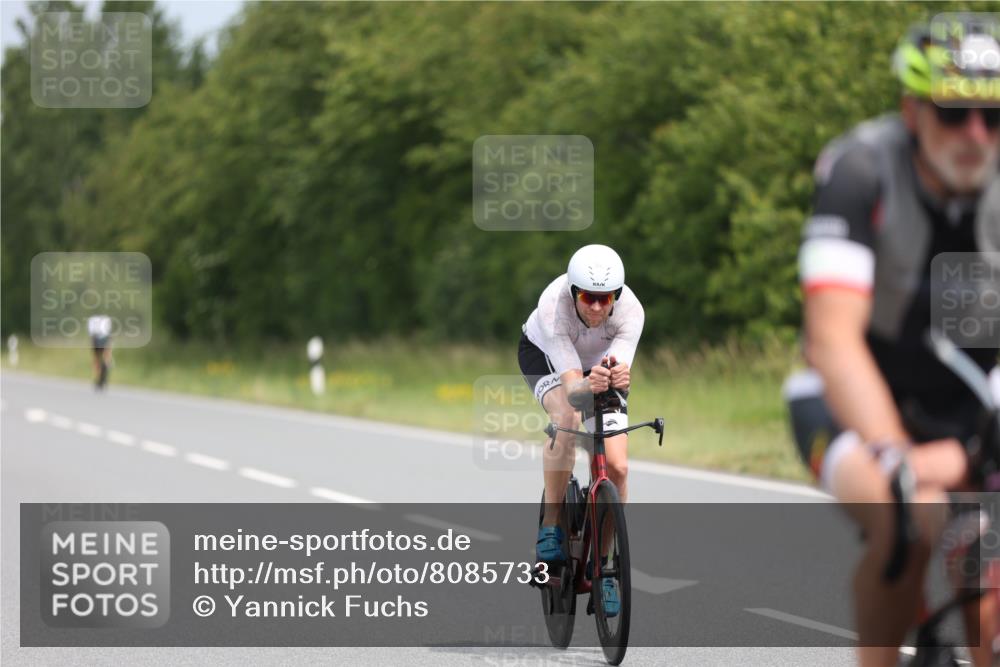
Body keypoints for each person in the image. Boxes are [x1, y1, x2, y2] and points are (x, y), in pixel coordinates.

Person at [784, 21, 1000, 667]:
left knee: (985, 559)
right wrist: (900, 455)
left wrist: (973, 450)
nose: (975, 135)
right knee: (911, 520)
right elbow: (833, 339)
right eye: (953, 111)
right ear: (912, 109)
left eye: (993, 117)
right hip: (849, 400)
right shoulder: (860, 169)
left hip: (970, 408)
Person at [519, 243, 644, 615]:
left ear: (616, 297)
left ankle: (604, 567)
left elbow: (616, 375)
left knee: (617, 466)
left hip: (596, 367)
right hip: (547, 359)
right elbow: (575, 391)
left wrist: (620, 376)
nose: (595, 307)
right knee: (568, 419)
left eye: (605, 299)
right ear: (574, 292)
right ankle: (553, 525)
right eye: (588, 297)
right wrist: (590, 385)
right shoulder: (552, 309)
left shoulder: (631, 312)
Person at [87, 314, 113, 391]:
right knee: (105, 357)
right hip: (104, 338)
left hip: (97, 339)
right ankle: (104, 375)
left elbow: (91, 333)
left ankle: (99, 378)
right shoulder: (106, 318)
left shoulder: (92, 319)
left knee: (97, 358)